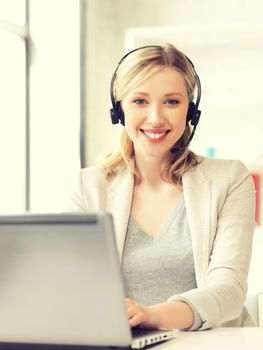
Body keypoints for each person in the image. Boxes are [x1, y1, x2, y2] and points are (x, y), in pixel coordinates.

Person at [67, 43, 256, 331]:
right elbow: (73, 285)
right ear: (119, 110)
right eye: (140, 101)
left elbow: (229, 289)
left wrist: (151, 315)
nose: (155, 118)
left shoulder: (230, 178)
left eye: (171, 101)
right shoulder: (88, 187)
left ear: (191, 111)